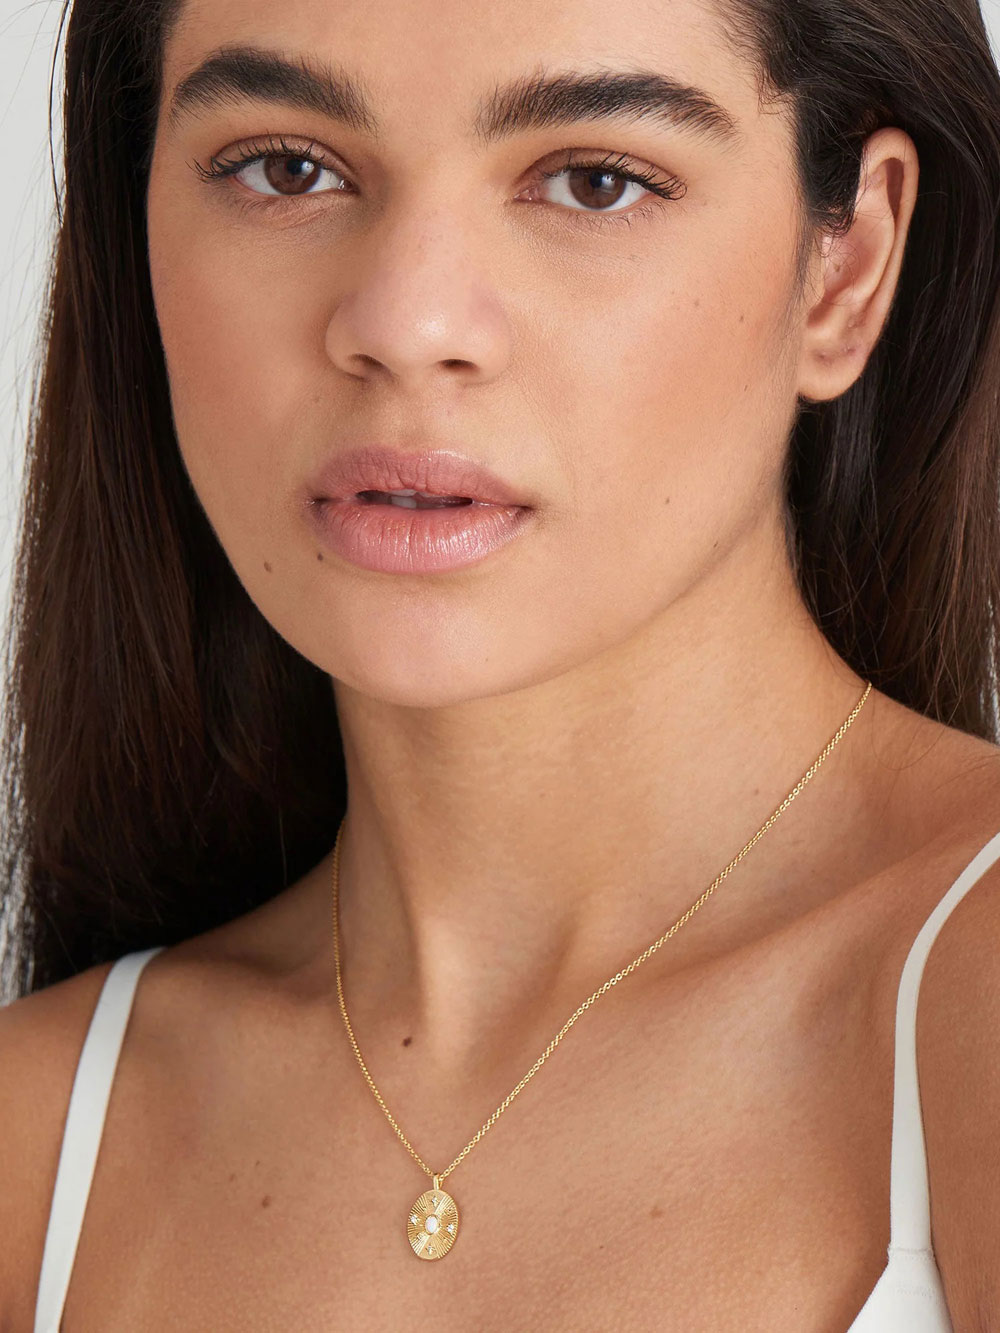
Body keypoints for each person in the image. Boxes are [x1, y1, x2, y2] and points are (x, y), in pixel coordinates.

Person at [1, 0, 999, 1324]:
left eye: (594, 181)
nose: (407, 322)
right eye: (286, 169)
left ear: (847, 269)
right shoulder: (35, 1144)